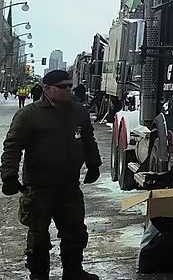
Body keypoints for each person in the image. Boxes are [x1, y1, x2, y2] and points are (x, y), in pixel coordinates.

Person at [1, 70, 102, 280]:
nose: (68, 90)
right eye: (62, 87)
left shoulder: (78, 112)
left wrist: (93, 164)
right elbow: (12, 146)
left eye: (69, 86)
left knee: (75, 232)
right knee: (38, 236)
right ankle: (39, 275)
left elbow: (88, 140)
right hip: (39, 186)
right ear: (47, 89)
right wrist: (9, 175)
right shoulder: (29, 115)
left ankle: (73, 271)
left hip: (69, 185)